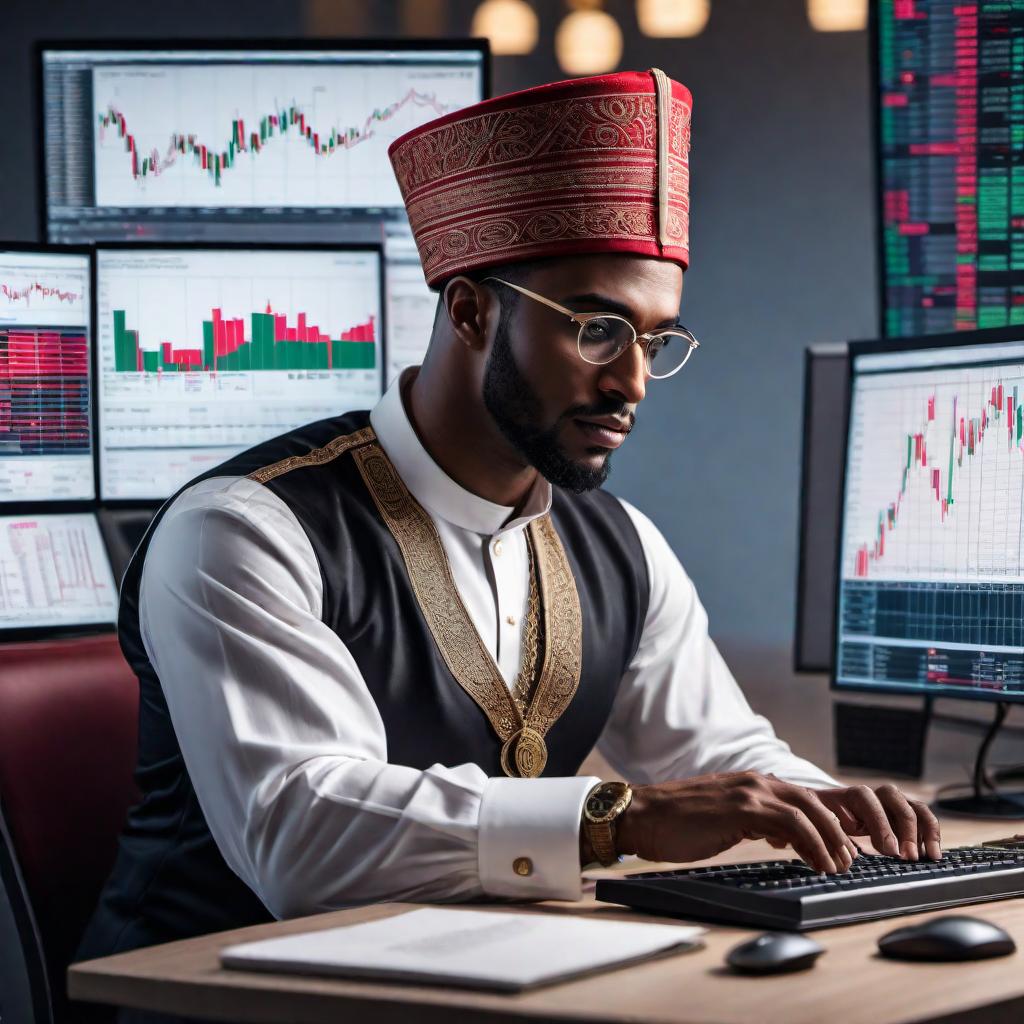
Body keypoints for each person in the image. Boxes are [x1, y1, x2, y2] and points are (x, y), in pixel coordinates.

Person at [79, 68, 941, 971]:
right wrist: (623, 819)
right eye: (599, 329)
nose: (633, 383)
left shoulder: (622, 546)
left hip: (479, 983)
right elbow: (305, 838)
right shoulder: (245, 530)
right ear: (470, 309)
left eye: (654, 340)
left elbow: (716, 752)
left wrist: (839, 810)